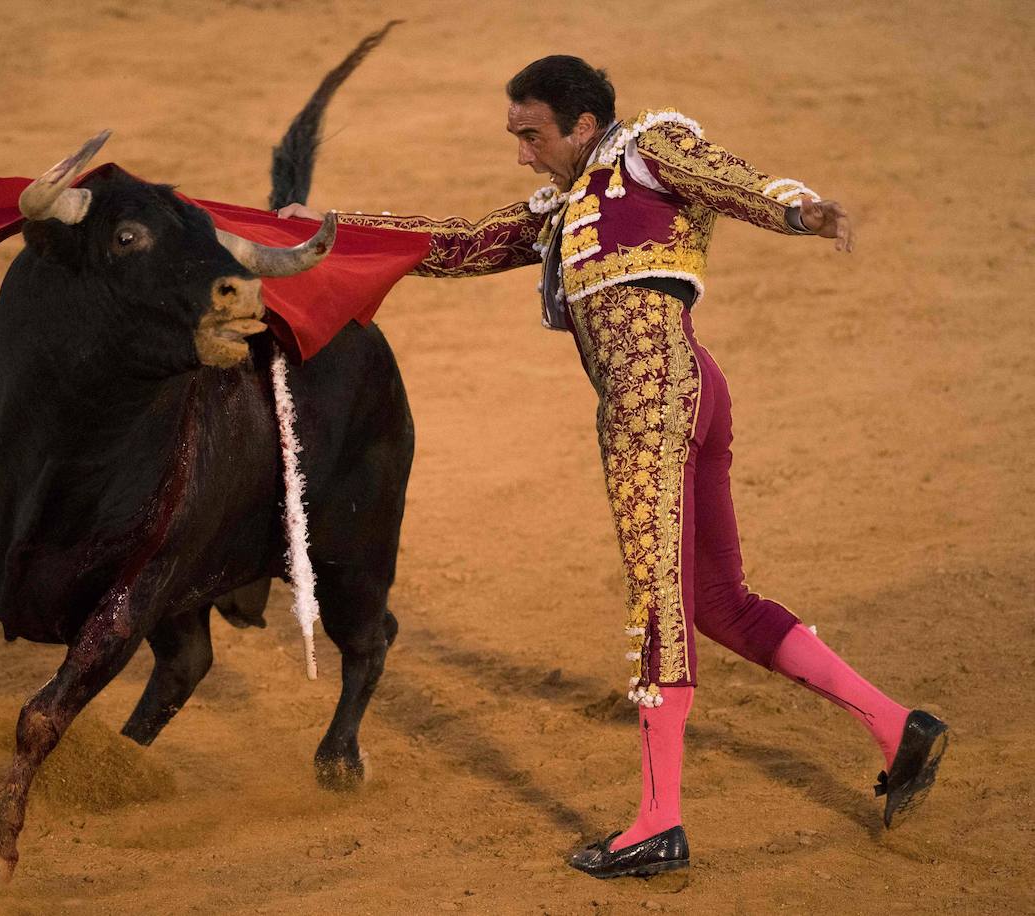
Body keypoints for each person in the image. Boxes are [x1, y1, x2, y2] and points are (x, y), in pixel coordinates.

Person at [278, 55, 947, 879]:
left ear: (584, 126)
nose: (522, 152)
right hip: (690, 389)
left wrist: (799, 209)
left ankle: (659, 822)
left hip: (649, 400)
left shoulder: (648, 148)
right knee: (718, 604)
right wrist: (333, 229)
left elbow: (729, 178)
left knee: (658, 602)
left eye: (533, 135)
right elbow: (460, 242)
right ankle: (895, 724)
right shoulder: (563, 205)